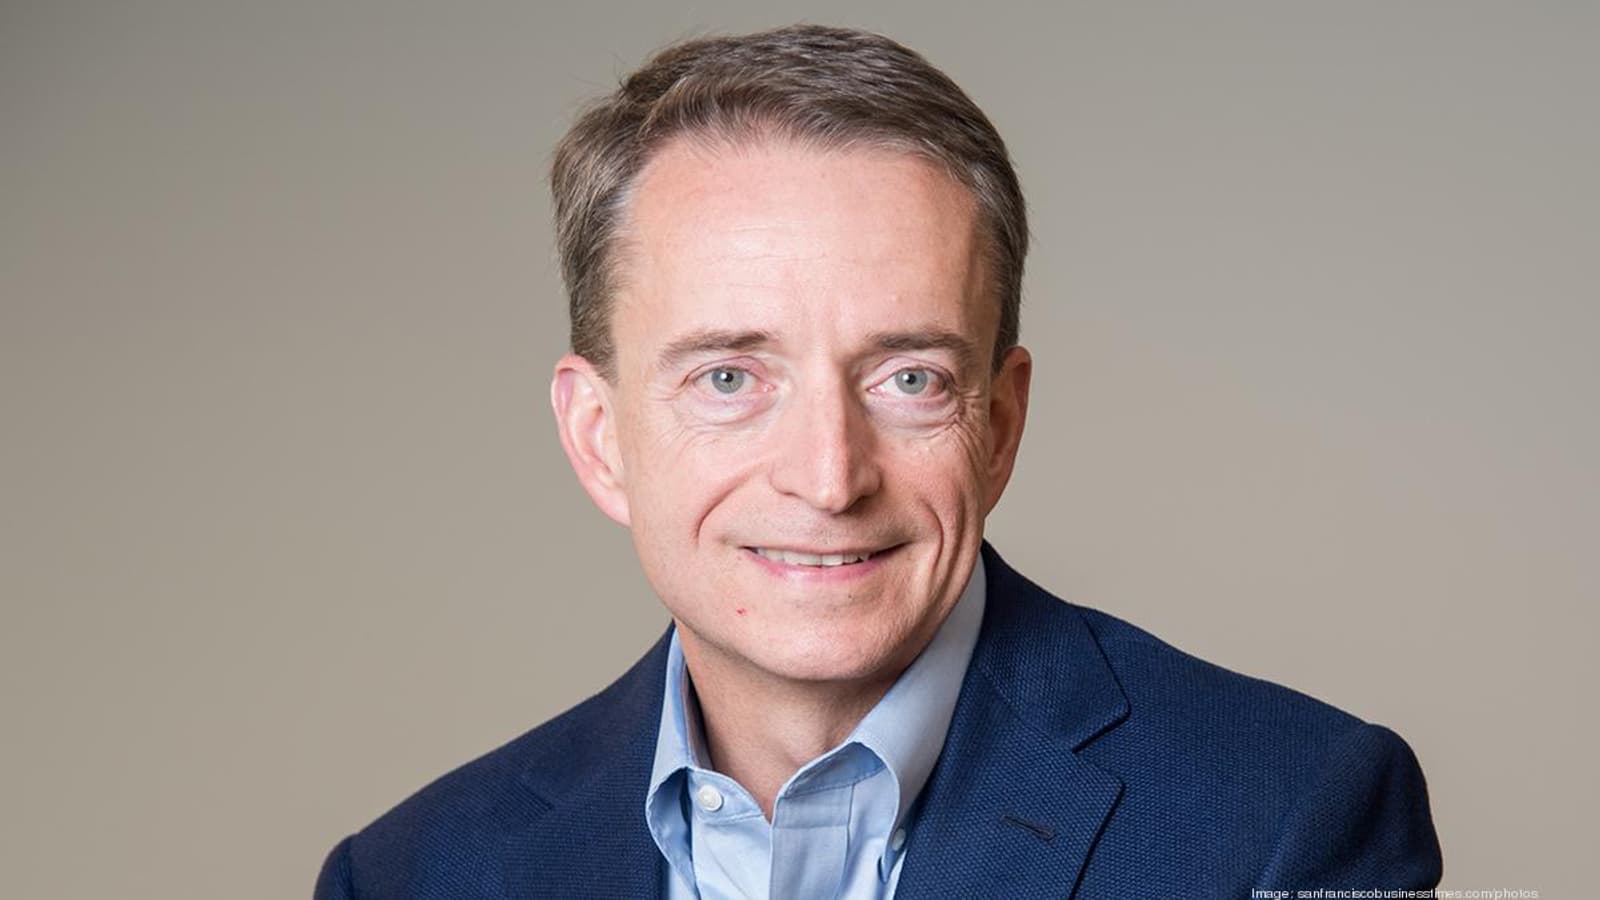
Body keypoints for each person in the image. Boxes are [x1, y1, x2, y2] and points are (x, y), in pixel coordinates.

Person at [315, 24, 1441, 898]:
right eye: (729, 378)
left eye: (909, 379)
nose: (828, 477)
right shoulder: (412, 876)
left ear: (999, 424)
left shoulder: (1289, 815)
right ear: (598, 437)